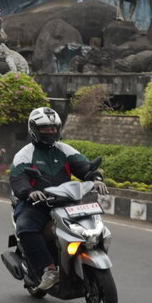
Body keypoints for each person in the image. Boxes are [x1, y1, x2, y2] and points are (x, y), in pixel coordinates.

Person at [9, 107, 107, 291]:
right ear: (34, 129)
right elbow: (17, 178)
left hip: (66, 202)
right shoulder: (24, 154)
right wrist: (29, 192)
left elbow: (83, 166)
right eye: (45, 128)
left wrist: (95, 178)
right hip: (36, 203)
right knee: (25, 228)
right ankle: (49, 269)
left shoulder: (64, 149)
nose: (51, 132)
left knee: (91, 225)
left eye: (54, 128)